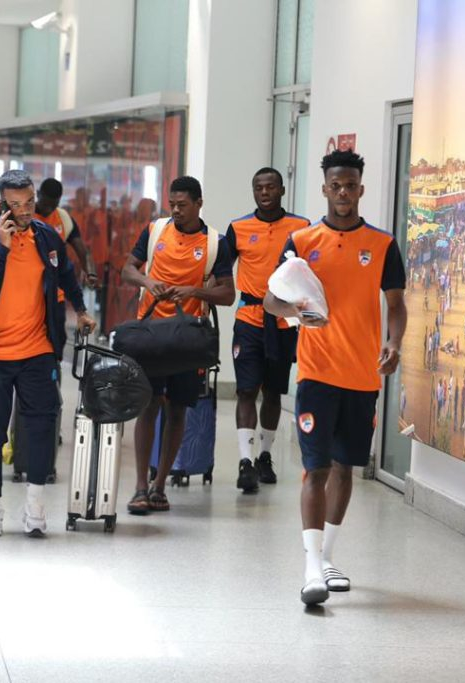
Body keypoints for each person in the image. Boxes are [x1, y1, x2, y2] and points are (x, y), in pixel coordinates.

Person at [263, 150, 406, 606]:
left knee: (346, 467)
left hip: (363, 375)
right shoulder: (301, 241)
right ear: (324, 189)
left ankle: (328, 557)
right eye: (336, 185)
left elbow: (397, 304)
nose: (343, 193)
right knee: (315, 469)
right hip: (317, 374)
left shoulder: (382, 245)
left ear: (361, 189)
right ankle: (310, 568)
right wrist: (296, 314)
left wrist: (394, 343)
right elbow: (271, 301)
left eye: (351, 185)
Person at [0, 169, 95, 537]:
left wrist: (80, 309)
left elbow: (66, 274)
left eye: (30, 202)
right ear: (2, 203)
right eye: (16, 204)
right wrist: (1, 251)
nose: (25, 210)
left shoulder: (47, 236)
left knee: (41, 428)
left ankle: (35, 506)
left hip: (37, 350)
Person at [120, 176, 235, 515]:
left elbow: (228, 294)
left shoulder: (216, 243)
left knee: (177, 409)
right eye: (172, 203)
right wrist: (147, 281)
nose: (176, 210)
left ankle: (160, 487)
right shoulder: (155, 231)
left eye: (183, 205)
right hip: (151, 334)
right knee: (148, 405)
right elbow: (128, 269)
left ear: (199, 203)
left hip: (187, 338)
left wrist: (195, 291)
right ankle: (140, 485)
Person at [225, 168, 310, 493]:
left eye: (270, 187)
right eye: (258, 187)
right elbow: (221, 270)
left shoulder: (301, 228)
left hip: (283, 320)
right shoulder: (239, 227)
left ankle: (264, 456)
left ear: (282, 190)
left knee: (273, 391)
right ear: (253, 191)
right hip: (249, 317)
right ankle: (245, 462)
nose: (264, 192)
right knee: (247, 390)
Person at [35, 178, 98, 289]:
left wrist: (90, 273)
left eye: (53, 206)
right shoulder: (24, 216)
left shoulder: (63, 219)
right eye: (45, 204)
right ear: (38, 194)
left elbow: (83, 252)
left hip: (53, 287)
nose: (48, 210)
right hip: (28, 285)